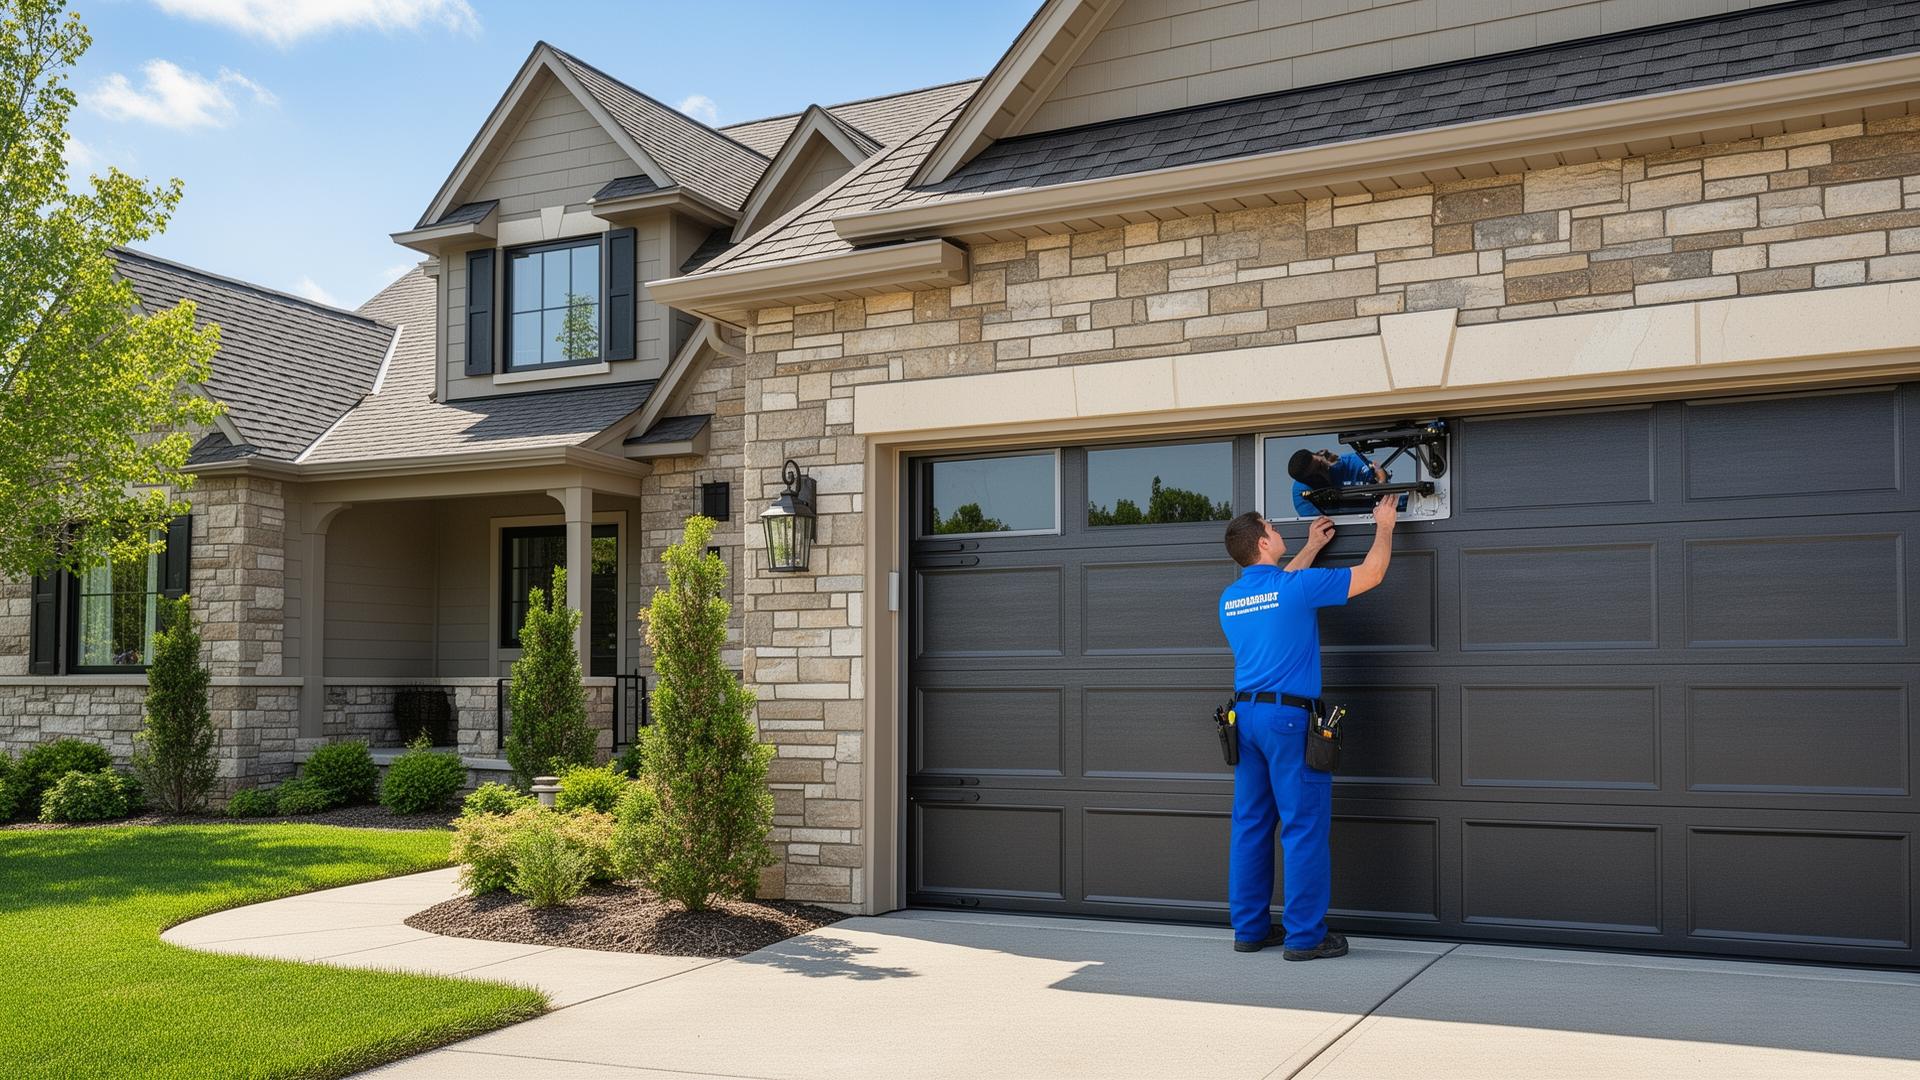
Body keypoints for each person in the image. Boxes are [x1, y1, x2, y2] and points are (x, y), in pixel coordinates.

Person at [1216, 496, 1397, 961]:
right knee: (1302, 826)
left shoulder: (1232, 599)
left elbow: (1279, 586)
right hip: (1287, 721)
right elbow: (1372, 573)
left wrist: (1313, 547)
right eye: (1273, 528)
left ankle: (1251, 931)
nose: (1280, 531)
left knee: (1251, 825)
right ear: (1262, 542)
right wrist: (1385, 525)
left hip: (1246, 718)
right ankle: (1304, 937)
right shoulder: (1295, 589)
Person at [1288, 448, 1385, 517]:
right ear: (1306, 482)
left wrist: (1381, 480)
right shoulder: (1301, 491)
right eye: (1315, 476)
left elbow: (1379, 478)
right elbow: (1319, 525)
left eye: (1320, 465)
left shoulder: (1351, 462)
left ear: (1321, 453)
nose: (1322, 473)